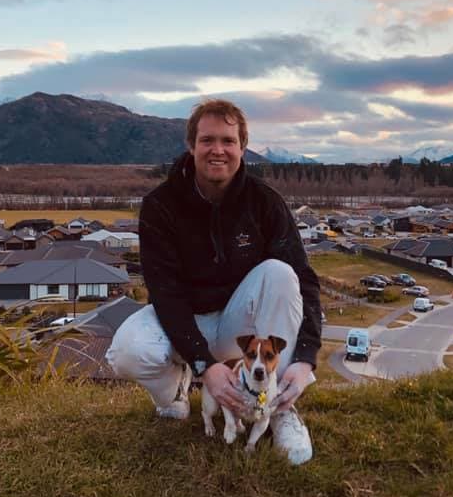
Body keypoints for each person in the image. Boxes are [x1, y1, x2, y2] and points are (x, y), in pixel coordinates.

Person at [107, 98, 322, 465]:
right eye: (207, 140)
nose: (217, 150)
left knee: (280, 273)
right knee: (128, 351)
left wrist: (306, 359)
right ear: (191, 147)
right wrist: (204, 365)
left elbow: (303, 280)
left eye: (228, 140)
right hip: (187, 321)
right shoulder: (161, 205)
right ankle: (173, 396)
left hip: (239, 322)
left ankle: (280, 407)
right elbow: (165, 292)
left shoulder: (264, 203)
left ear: (242, 148)